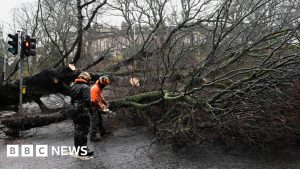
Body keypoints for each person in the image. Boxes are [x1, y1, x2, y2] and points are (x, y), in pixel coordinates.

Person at [70, 72, 94, 156]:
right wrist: (91, 110)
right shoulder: (85, 87)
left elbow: (72, 101)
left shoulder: (73, 87)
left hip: (74, 111)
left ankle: (77, 149)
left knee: (77, 130)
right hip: (82, 112)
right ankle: (83, 150)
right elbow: (87, 101)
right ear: (86, 79)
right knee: (84, 130)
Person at [90, 76, 111, 141]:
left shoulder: (99, 88)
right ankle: (92, 136)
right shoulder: (95, 88)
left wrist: (105, 103)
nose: (105, 86)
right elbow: (95, 100)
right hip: (93, 106)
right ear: (101, 83)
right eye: (104, 84)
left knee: (99, 119)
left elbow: (101, 97)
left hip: (96, 105)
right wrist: (101, 107)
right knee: (95, 120)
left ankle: (102, 132)